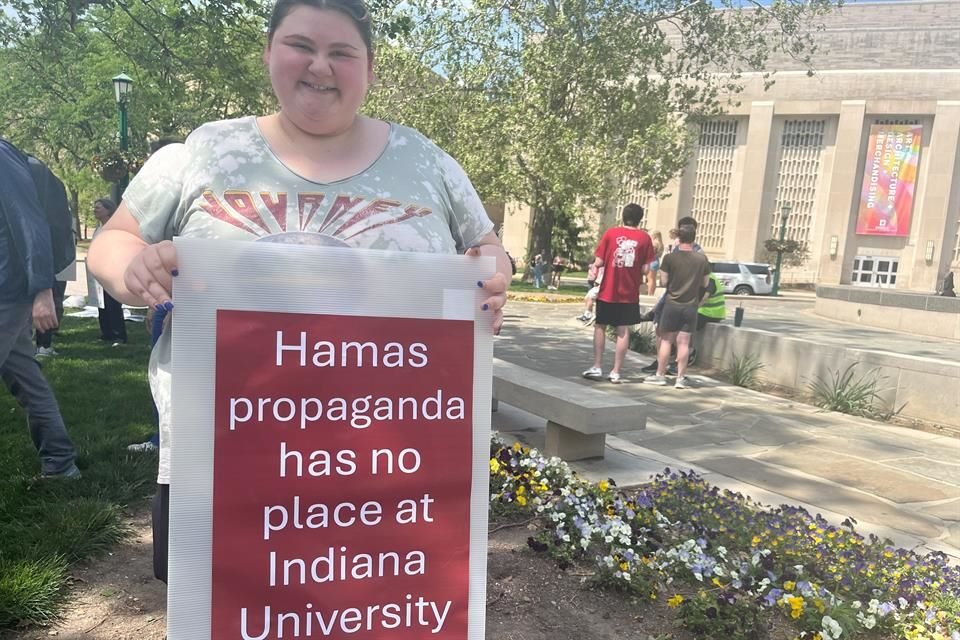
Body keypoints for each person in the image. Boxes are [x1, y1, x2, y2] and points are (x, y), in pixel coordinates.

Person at [87, 0, 510, 584]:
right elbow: (115, 240)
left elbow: (487, 249)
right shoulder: (202, 153)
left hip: (390, 454)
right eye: (301, 46)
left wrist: (491, 276)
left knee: (380, 599)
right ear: (268, 52)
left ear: (370, 68)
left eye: (342, 52)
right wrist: (135, 269)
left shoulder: (429, 164)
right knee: (237, 605)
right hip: (225, 454)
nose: (320, 66)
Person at [0, 138, 80, 479]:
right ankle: (60, 463)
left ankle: (61, 463)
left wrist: (43, 290)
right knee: (26, 378)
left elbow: (29, 222)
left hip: (7, 289)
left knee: (26, 378)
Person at [581, 203, 654, 383]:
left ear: (623, 216)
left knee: (600, 326)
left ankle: (597, 366)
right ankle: (616, 371)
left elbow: (599, 261)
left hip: (608, 290)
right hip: (629, 292)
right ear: (640, 219)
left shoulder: (611, 234)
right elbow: (646, 269)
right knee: (623, 330)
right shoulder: (645, 238)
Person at [644, 223, 711, 389]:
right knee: (684, 343)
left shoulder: (670, 258)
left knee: (666, 341)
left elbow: (663, 281)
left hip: (672, 304)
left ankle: (660, 374)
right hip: (691, 306)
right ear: (694, 239)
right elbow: (705, 283)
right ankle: (680, 378)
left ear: (679, 238)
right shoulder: (702, 259)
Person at [27, 156, 77, 357]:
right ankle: (40, 344)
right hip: (46, 262)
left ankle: (43, 343)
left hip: (47, 263)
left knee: (49, 301)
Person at [92, 198, 128, 346]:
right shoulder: (98, 228)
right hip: (98, 271)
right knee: (101, 303)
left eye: (98, 208)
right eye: (94, 207)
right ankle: (106, 333)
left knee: (112, 303)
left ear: (108, 210)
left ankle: (119, 335)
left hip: (112, 271)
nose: (94, 210)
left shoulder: (114, 228)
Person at [647, 230, 664, 296]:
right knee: (653, 279)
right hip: (656, 261)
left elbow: (651, 252)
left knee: (650, 279)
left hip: (652, 261)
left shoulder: (654, 243)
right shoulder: (660, 243)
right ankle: (651, 293)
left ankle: (650, 293)